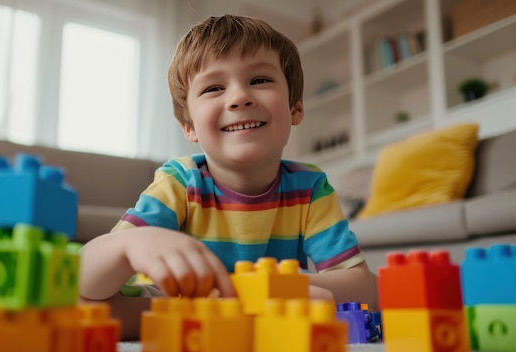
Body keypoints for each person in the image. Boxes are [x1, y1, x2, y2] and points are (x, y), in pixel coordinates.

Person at [79, 14, 378, 334]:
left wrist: (271, 291)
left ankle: (237, 320)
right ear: (189, 126)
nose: (239, 97)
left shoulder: (309, 186)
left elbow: (365, 288)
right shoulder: (180, 180)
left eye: (260, 80)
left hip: (266, 307)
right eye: (214, 87)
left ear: (294, 108)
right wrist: (131, 245)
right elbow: (83, 278)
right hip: (183, 305)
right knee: (78, 305)